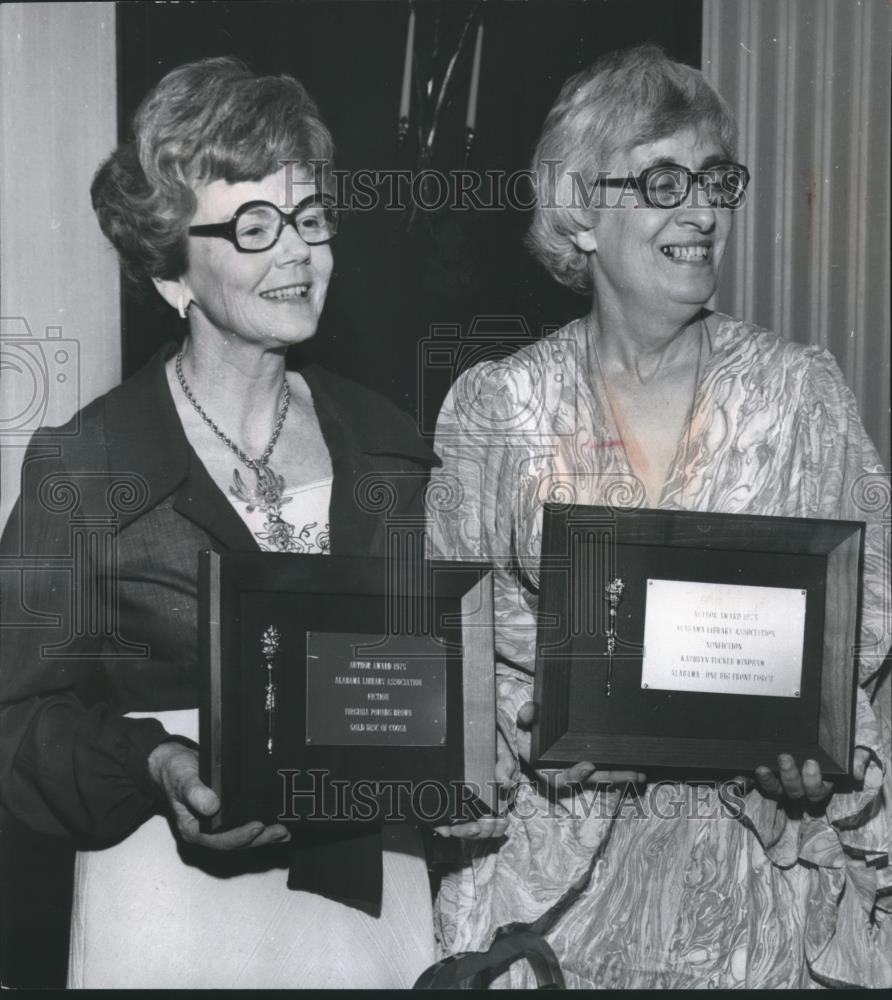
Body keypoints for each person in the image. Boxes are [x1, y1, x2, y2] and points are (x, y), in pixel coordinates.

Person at [0, 56, 504, 989]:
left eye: (309, 218)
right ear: (169, 268)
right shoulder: (89, 463)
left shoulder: (390, 447)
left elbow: (431, 679)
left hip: (369, 906)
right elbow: (16, 720)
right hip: (174, 912)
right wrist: (154, 761)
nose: (297, 252)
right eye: (254, 224)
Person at [427, 45, 891, 989]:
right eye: (665, 181)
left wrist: (826, 757)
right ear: (580, 211)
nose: (704, 210)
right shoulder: (500, 408)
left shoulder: (799, 397)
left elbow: (861, 639)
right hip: (556, 907)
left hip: (754, 898)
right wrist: (529, 733)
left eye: (716, 180)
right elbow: (448, 654)